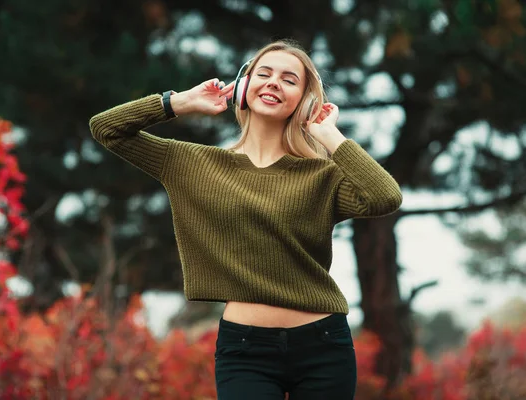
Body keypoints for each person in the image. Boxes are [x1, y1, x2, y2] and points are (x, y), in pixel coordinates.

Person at [89, 39, 402, 399]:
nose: (273, 83)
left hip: (324, 344)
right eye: (263, 74)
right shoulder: (191, 163)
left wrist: (330, 136)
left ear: (305, 101)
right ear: (242, 86)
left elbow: (385, 197)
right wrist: (180, 102)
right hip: (245, 349)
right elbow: (106, 128)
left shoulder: (321, 176)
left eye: (289, 79)